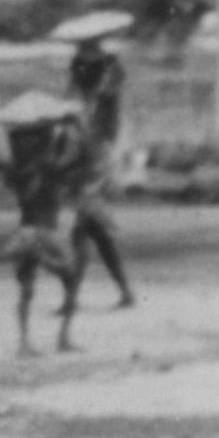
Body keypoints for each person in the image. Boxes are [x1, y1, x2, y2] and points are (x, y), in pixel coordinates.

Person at [1, 93, 94, 353]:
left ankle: (24, 342)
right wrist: (76, 124)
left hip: (25, 231)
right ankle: (63, 337)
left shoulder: (20, 172)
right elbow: (85, 159)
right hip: (50, 232)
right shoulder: (50, 168)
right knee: (72, 281)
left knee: (26, 290)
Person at [66, 34, 140, 309]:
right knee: (94, 233)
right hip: (90, 165)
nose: (76, 72)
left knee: (82, 231)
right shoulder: (87, 100)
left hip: (97, 165)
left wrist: (106, 59)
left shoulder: (104, 100)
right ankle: (124, 292)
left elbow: (116, 82)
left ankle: (71, 297)